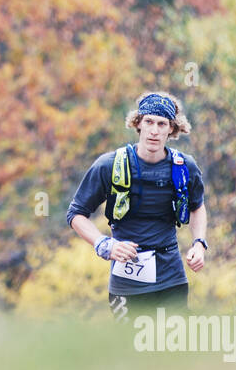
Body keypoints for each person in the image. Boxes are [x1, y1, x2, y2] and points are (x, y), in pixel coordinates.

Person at [65, 92, 209, 320]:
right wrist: (104, 244)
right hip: (127, 282)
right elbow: (76, 214)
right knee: (133, 349)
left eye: (162, 124)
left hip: (171, 276)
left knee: (176, 348)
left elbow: (197, 206)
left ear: (171, 129)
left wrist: (199, 243)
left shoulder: (184, 167)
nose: (154, 130)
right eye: (149, 121)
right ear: (138, 124)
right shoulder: (109, 165)